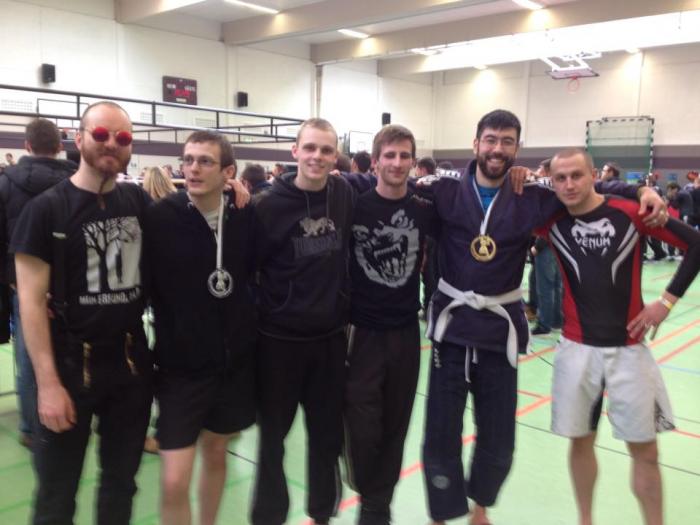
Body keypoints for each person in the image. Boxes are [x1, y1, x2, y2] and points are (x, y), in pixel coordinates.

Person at [418, 109, 665, 525]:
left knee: (499, 436)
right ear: (476, 143)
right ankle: (441, 516)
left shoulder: (532, 196)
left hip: (499, 331)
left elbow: (587, 189)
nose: (498, 149)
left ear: (517, 148)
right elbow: (388, 184)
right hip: (453, 328)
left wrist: (641, 188)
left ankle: (480, 509)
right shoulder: (442, 191)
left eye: (507, 141)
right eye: (491, 139)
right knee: (441, 429)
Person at [539, 148, 700, 525]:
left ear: (593, 175)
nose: (569, 184)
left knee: (646, 451)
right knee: (581, 441)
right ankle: (585, 519)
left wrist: (666, 302)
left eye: (577, 175)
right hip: (576, 350)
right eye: (560, 178)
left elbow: (696, 244)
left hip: (628, 350)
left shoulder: (632, 212)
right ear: (552, 182)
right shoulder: (549, 219)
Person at [12, 101, 153, 525]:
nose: (112, 144)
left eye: (122, 137)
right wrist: (48, 385)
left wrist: (230, 190)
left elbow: (188, 220)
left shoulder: (138, 201)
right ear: (78, 139)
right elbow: (30, 303)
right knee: (56, 492)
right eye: (101, 134)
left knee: (121, 484)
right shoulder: (46, 210)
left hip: (130, 363)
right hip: (71, 364)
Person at [143, 130, 256, 525]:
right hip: (179, 371)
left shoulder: (245, 215)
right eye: (188, 160)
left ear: (228, 172)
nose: (193, 168)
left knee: (216, 453)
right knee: (174, 479)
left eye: (205, 161)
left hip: (231, 367)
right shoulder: (160, 218)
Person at [250, 118, 355, 525]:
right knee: (272, 442)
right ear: (295, 151)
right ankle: (269, 518)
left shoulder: (343, 194)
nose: (317, 156)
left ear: (335, 156)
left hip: (329, 342)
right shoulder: (266, 206)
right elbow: (248, 272)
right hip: (278, 344)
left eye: (326, 150)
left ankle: (321, 515)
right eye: (309, 148)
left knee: (326, 439)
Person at [344, 125, 435, 525]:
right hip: (361, 331)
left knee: (396, 422)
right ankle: (367, 489)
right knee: (361, 422)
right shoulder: (353, 206)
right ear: (376, 160)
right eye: (390, 155)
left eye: (404, 156)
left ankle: (377, 506)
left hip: (404, 331)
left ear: (413, 162)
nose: (397, 163)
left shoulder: (425, 208)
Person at [0, 118, 78, 449]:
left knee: (29, 357)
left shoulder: (5, 184)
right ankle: (77, 414)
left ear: (27, 146)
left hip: (24, 285)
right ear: (60, 146)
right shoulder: (77, 181)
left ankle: (32, 428)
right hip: (73, 284)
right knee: (76, 351)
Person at [530, 158, 563, 335]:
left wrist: (538, 245)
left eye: (541, 170)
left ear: (549, 172)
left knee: (545, 286)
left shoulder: (548, 192)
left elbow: (548, 222)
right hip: (559, 246)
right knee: (557, 285)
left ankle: (544, 323)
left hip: (547, 245)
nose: (538, 172)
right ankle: (557, 319)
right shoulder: (562, 189)